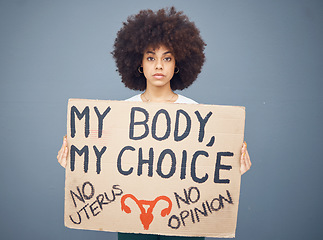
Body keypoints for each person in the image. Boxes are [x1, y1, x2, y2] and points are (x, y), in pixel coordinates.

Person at [57, 7, 251, 240]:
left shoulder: (196, 114)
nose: (159, 65)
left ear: (178, 63)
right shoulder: (121, 113)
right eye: (151, 57)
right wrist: (77, 162)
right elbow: (104, 165)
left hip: (184, 218)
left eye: (166, 58)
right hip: (133, 218)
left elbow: (207, 170)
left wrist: (233, 169)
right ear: (138, 63)